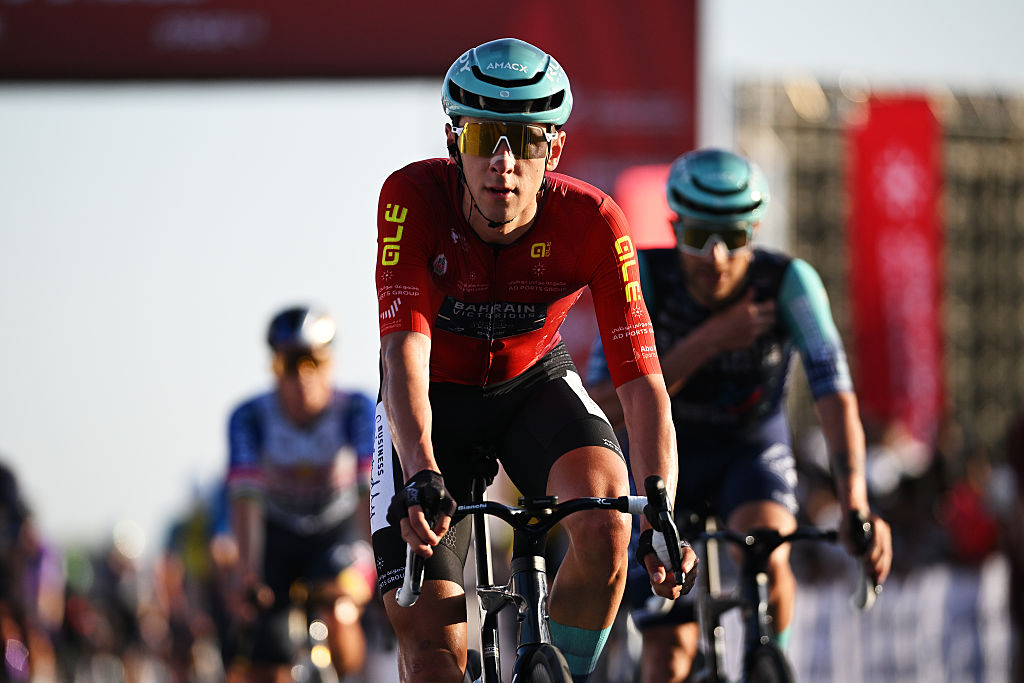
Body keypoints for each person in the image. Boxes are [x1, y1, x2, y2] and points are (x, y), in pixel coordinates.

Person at [370, 37, 697, 683]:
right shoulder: (410, 197)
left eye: (523, 141)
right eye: (485, 136)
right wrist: (421, 471)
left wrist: (660, 503)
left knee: (609, 527)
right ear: (452, 139)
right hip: (432, 400)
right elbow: (403, 350)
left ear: (554, 149)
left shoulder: (596, 222)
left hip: (532, 384)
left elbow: (642, 381)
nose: (503, 164)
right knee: (434, 656)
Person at [587, 148, 893, 682]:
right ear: (673, 225)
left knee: (767, 547)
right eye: (699, 236)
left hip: (750, 449)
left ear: (755, 232)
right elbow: (601, 402)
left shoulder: (788, 283)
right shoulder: (644, 276)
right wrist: (707, 340)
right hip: (666, 457)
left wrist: (856, 504)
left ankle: (768, 660)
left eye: (733, 239)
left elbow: (835, 396)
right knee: (669, 655)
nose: (716, 258)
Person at [225, 306, 376, 682]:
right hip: (276, 535)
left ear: (330, 364)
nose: (302, 377)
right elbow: (247, 502)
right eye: (289, 365)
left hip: (336, 530)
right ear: (274, 368)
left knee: (340, 611)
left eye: (313, 362)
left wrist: (377, 562)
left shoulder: (356, 409)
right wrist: (247, 574)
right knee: (267, 656)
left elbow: (366, 491)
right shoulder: (248, 417)